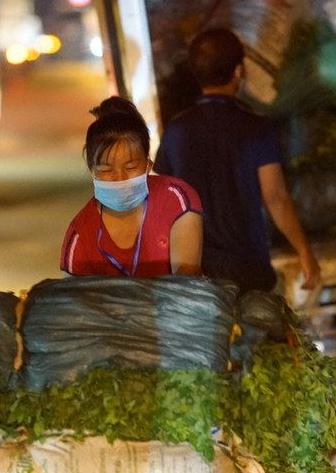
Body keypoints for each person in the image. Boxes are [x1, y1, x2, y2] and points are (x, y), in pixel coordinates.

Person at [154, 26, 320, 294]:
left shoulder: (176, 132)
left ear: (196, 75)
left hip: (196, 275)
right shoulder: (257, 128)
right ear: (240, 71)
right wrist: (305, 252)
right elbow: (275, 197)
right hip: (248, 272)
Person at [61, 96, 203, 278]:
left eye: (130, 167)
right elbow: (76, 301)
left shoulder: (177, 200)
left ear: (148, 166)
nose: (120, 179)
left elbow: (187, 278)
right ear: (92, 171)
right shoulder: (80, 236)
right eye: (106, 169)